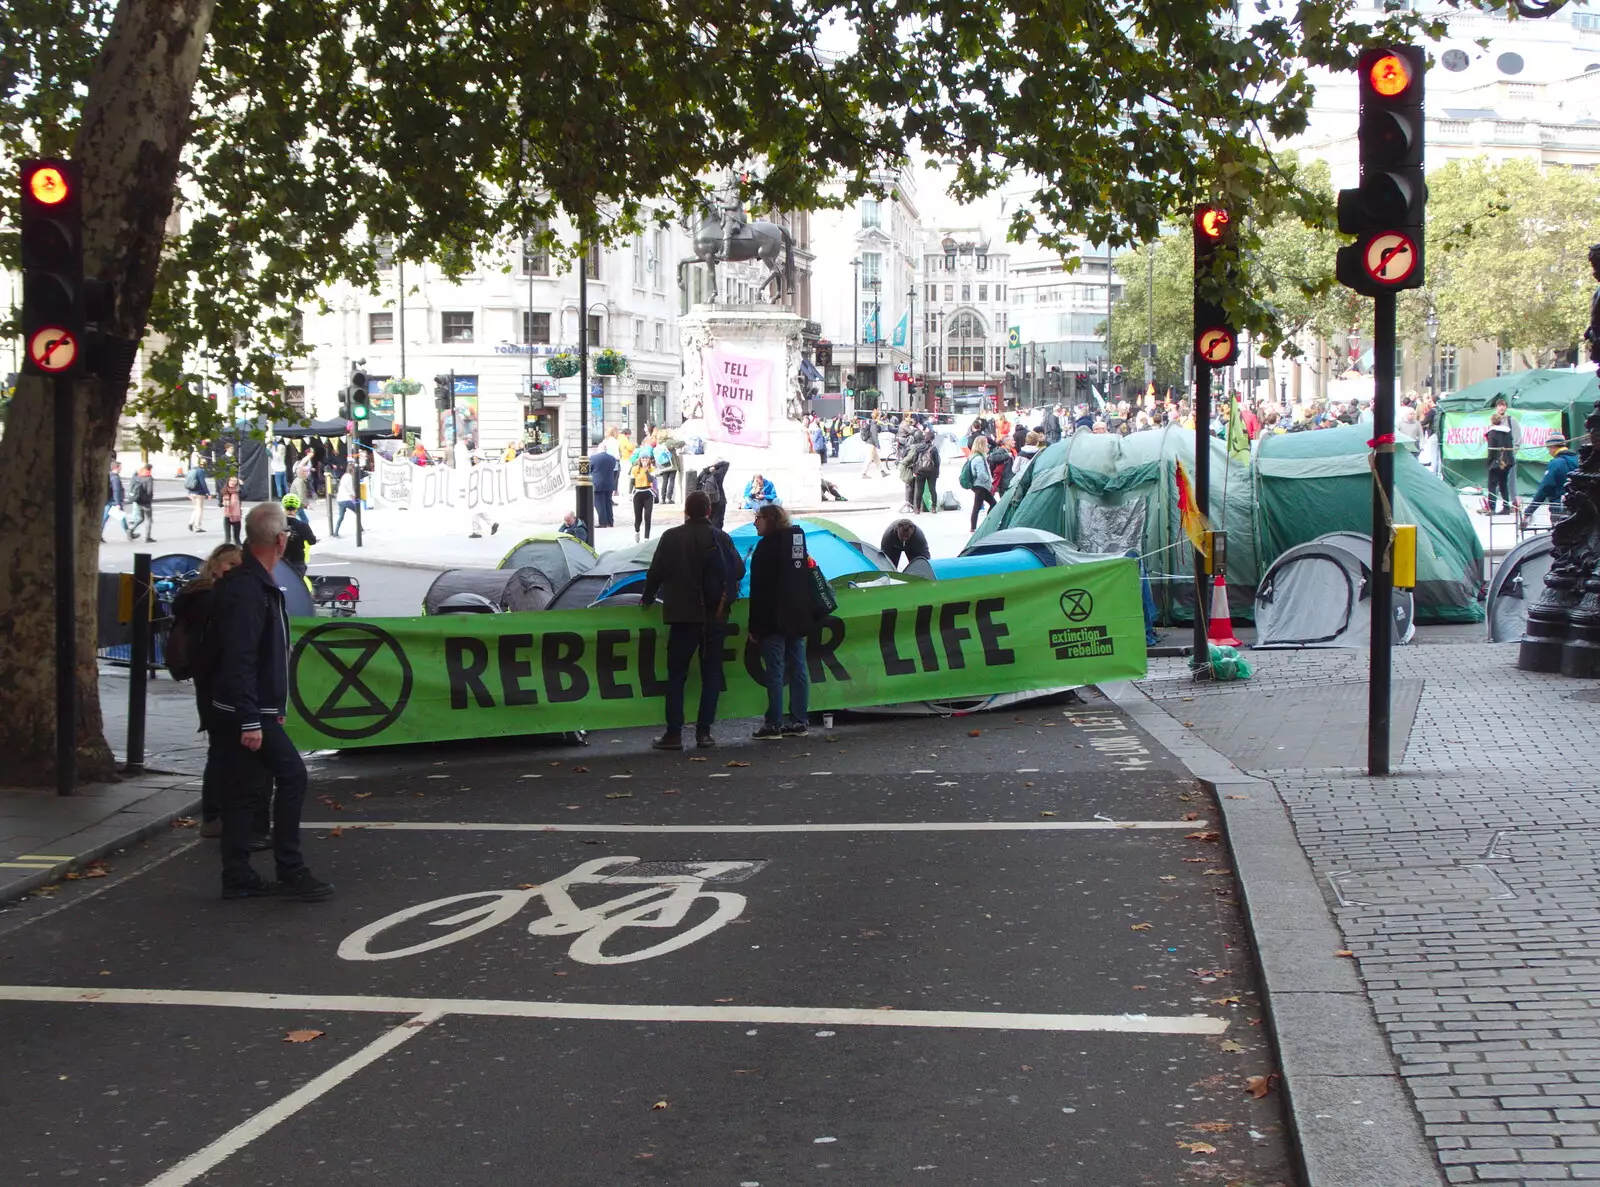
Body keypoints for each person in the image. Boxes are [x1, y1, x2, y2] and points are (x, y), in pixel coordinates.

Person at [209, 502, 332, 901]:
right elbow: (240, 658)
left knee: (245, 788)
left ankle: (237, 872)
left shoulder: (251, 583)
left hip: (248, 708)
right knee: (292, 776)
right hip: (247, 711)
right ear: (280, 541)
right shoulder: (250, 589)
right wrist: (251, 720)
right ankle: (290, 869)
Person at [169, 543, 253, 840]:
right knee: (223, 750)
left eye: (238, 566)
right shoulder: (209, 598)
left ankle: (220, 813)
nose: (233, 570)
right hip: (217, 682)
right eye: (229, 564)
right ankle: (216, 815)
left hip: (215, 681)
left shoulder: (201, 595)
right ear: (215, 565)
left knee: (224, 749)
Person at [641, 490, 733, 751]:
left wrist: (647, 597)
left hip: (682, 617)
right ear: (708, 511)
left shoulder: (671, 537)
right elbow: (736, 570)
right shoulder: (721, 538)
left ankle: (674, 734)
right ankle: (704, 733)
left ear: (686, 511)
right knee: (711, 675)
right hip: (714, 617)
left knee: (677, 676)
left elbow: (655, 572)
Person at [748, 503, 813, 740]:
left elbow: (759, 591)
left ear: (771, 520)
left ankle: (773, 723)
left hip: (772, 620)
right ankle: (799, 720)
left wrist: (755, 627)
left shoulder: (765, 548)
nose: (755, 522)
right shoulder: (796, 539)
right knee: (798, 668)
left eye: (758, 517)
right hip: (796, 616)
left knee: (775, 671)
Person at [1524, 432, 1580, 528]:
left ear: (1553, 447)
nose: (1549, 452)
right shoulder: (1578, 459)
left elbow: (1545, 488)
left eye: (1548, 448)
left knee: (1559, 537)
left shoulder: (1555, 463)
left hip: (1560, 507)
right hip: (1579, 507)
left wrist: (1529, 510)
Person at [1484, 409, 1515, 516]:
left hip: (1497, 462)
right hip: (1508, 461)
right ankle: (1506, 507)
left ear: (1492, 422)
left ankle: (1492, 508)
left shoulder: (1492, 433)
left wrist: (1488, 462)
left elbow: (1491, 450)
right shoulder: (1507, 432)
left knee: (1492, 485)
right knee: (1503, 484)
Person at [280, 495, 316, 579]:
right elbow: (312, 541)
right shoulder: (302, 525)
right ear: (296, 508)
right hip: (297, 560)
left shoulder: (277, 524)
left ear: (284, 507)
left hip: (281, 561)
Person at [967, 435, 996, 530]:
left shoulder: (975, 456)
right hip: (981, 485)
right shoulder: (978, 458)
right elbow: (981, 474)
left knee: (987, 505)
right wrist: (988, 481)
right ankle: (982, 525)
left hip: (979, 485)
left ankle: (977, 526)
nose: (988, 446)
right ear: (982, 445)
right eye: (986, 444)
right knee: (979, 507)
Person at [589, 445, 619, 528]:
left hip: (597, 484)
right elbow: (613, 468)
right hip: (609, 483)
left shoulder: (593, 458)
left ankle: (603, 522)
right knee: (608, 503)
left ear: (598, 449)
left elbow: (589, 469)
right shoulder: (612, 458)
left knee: (599, 504)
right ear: (606, 449)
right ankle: (610, 521)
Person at [911, 429, 940, 513]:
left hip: (920, 471)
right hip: (931, 472)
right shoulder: (933, 448)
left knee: (919, 490)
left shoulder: (918, 447)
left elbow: (914, 460)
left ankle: (917, 509)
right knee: (932, 490)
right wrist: (937, 473)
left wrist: (914, 471)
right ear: (932, 439)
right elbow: (937, 462)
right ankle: (933, 508)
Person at [103, 460, 133, 540]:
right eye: (120, 467)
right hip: (114, 501)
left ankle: (129, 533)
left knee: (105, 517)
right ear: (116, 467)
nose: (121, 469)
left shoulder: (110, 475)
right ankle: (129, 534)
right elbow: (116, 491)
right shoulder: (115, 478)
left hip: (110, 500)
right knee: (121, 518)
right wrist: (118, 503)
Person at [630, 450, 656, 541]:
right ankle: (637, 531)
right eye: (643, 458)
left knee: (647, 516)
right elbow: (632, 482)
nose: (644, 460)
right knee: (638, 517)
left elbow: (651, 480)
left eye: (646, 458)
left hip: (648, 493)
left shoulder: (651, 468)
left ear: (649, 459)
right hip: (638, 493)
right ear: (640, 459)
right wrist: (630, 493)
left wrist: (646, 470)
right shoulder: (634, 469)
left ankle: (646, 538)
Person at [126, 463, 156, 542]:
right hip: (146, 502)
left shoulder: (138, 477)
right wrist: (150, 498)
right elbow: (149, 491)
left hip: (138, 500)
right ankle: (147, 537)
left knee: (141, 518)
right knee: (148, 519)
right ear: (149, 469)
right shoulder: (149, 478)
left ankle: (131, 530)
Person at [699, 459, 731, 529]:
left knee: (708, 522)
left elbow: (697, 484)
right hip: (719, 500)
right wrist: (715, 467)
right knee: (718, 523)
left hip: (707, 501)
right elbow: (726, 463)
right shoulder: (718, 473)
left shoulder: (704, 473)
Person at [333, 465, 360, 536]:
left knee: (341, 517)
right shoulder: (349, 477)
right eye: (354, 470)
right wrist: (352, 495)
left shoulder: (344, 476)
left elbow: (342, 486)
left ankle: (336, 532)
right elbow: (348, 488)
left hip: (340, 499)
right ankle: (360, 528)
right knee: (357, 512)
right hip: (346, 499)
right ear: (352, 470)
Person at [220, 475, 243, 545]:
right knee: (227, 539)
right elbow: (219, 502)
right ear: (228, 481)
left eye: (234, 481)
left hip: (236, 516)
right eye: (231, 480)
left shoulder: (239, 491)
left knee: (237, 539)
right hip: (227, 515)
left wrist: (242, 485)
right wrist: (222, 503)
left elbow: (246, 494)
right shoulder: (224, 490)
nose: (232, 482)